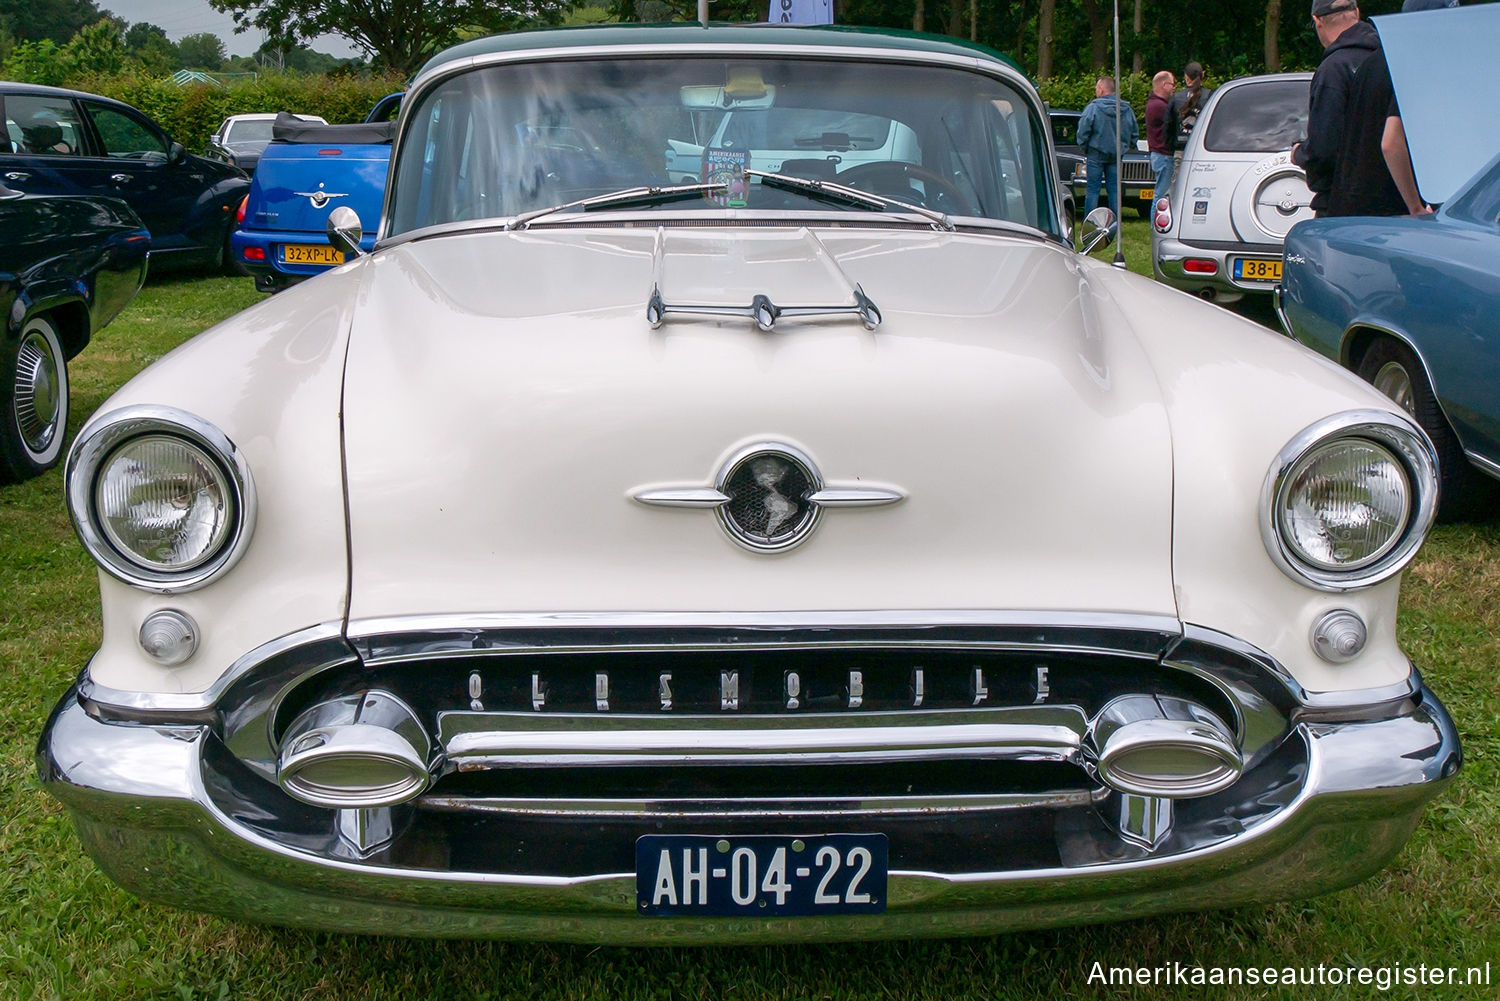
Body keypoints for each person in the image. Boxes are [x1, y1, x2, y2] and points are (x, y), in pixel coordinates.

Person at [1326, 0, 1455, 215]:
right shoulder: (1417, 64)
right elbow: (1391, 143)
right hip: (1392, 214)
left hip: (1351, 206)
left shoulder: (1374, 62)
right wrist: (1415, 207)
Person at [1290, 0, 1381, 216]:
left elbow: (1324, 149)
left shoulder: (1333, 69)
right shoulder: (1388, 59)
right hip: (1395, 204)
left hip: (1343, 204)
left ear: (1317, 21)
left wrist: (1300, 153)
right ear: (1357, 12)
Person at [1076, 76, 1139, 217]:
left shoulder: (1093, 108)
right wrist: (1128, 146)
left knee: (1093, 190)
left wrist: (1083, 145)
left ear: (1101, 89)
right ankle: (1114, 223)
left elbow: (1083, 129)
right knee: (1114, 191)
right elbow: (1134, 131)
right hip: (1117, 154)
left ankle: (1090, 222)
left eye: (1096, 88)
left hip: (1096, 152)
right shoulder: (1126, 109)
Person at [1165, 62, 1211, 152]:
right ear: (1202, 75)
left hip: (1181, 148)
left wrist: (1170, 146)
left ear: (1186, 77)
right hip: (1202, 150)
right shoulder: (1209, 96)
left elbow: (1167, 125)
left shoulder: (1176, 97)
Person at [1145, 70, 1176, 202]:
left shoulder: (1154, 103)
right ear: (1164, 84)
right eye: (1172, 84)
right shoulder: (1160, 106)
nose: (1174, 88)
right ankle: (1155, 223)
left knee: (1162, 193)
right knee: (1161, 195)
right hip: (1163, 155)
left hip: (1159, 155)